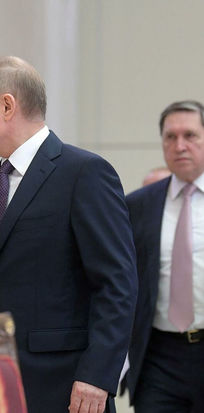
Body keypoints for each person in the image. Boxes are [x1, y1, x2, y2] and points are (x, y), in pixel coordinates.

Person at [0, 56, 137, 413]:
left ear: (7, 106)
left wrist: (97, 374)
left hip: (64, 388)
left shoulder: (84, 173)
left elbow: (117, 284)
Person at [124, 100, 204, 412]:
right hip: (159, 357)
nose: (179, 146)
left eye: (190, 135)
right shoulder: (137, 205)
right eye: (170, 137)